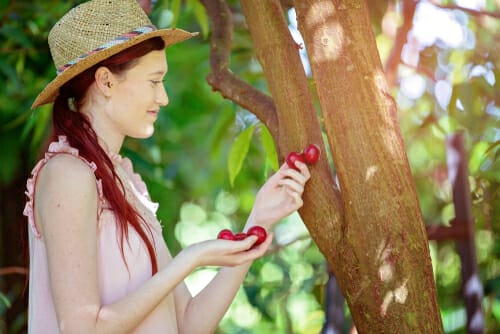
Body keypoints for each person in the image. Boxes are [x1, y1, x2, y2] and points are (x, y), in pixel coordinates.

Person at [23, 0, 311, 333]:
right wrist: (190, 260)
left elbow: (188, 322)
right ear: (105, 82)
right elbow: (82, 328)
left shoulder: (125, 181)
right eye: (153, 81)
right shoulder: (67, 175)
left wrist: (259, 219)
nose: (163, 98)